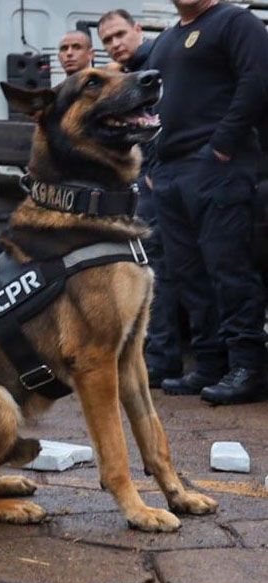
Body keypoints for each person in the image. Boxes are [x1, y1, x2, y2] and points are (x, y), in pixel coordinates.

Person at [147, 0, 268, 404]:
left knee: (228, 268)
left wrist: (222, 144)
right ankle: (210, 364)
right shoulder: (165, 40)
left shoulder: (235, 21)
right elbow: (151, 105)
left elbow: (257, 79)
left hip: (217, 167)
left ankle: (248, 367)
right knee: (189, 276)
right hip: (170, 173)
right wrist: (152, 162)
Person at [98, 9, 183, 387]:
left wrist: (153, 171)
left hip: (162, 179)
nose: (115, 43)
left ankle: (163, 360)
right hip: (146, 184)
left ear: (137, 29)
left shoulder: (156, 63)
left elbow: (173, 116)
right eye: (108, 40)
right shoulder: (125, 75)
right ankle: (159, 358)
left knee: (157, 269)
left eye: (119, 34)